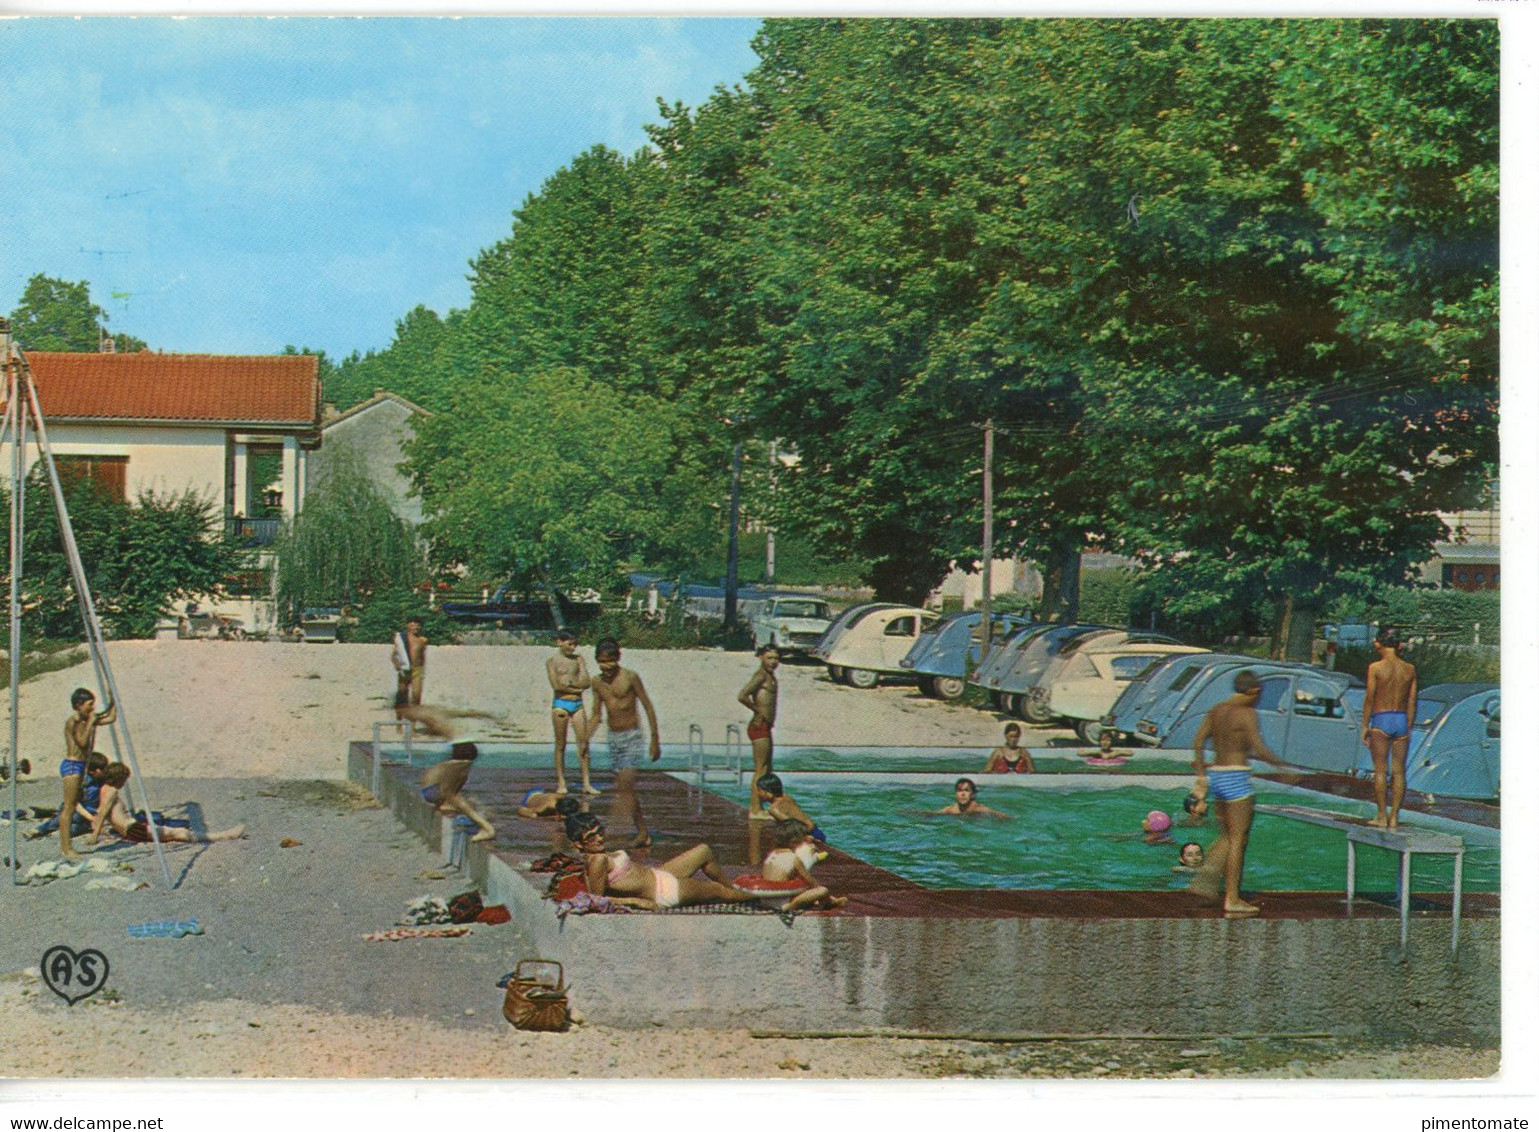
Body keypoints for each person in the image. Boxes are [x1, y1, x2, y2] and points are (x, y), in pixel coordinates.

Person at [1187, 669, 1292, 917]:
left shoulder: (1216, 710)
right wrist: (1284, 769)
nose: (1259, 699)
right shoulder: (1247, 713)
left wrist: (1202, 775)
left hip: (1216, 776)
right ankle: (1232, 898)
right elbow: (1258, 747)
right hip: (1236, 777)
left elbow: (1198, 742)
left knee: (1227, 835)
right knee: (1238, 840)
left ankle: (1207, 879)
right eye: (1258, 694)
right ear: (1252, 691)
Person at [567, 813, 756, 909]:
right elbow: (596, 900)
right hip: (663, 891)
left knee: (703, 851)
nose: (599, 839)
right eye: (591, 837)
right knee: (718, 891)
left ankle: (735, 888)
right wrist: (635, 902)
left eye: (600, 832)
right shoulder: (598, 861)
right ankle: (762, 897)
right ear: (578, 844)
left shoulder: (597, 857)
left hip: (658, 874)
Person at [587, 638, 661, 848]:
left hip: (632, 737)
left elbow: (647, 706)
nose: (606, 666)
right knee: (627, 790)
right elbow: (595, 714)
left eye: (610, 661)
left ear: (618, 658)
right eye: (601, 662)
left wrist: (655, 739)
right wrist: (585, 738)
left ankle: (614, 834)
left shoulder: (630, 677)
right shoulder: (597, 682)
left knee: (625, 787)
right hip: (614, 739)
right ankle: (643, 832)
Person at [91, 764, 244, 844]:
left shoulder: (105, 789)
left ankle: (219, 836)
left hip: (131, 829)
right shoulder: (111, 791)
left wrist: (99, 828)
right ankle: (222, 836)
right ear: (119, 778)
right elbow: (104, 811)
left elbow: (102, 813)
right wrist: (95, 836)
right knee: (178, 833)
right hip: (133, 829)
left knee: (171, 832)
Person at [1361, 628, 1418, 829]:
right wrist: (1408, 725)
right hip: (1401, 719)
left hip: (1381, 719)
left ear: (1379, 644)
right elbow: (1412, 700)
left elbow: (1370, 698)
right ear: (1399, 645)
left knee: (1380, 771)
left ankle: (1381, 816)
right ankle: (1394, 817)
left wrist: (1364, 725)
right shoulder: (1409, 669)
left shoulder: (1375, 668)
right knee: (1399, 772)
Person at [60, 688, 116, 859]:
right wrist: (92, 721)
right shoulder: (74, 722)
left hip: (80, 765)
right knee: (69, 808)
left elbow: (111, 718)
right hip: (72, 766)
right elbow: (83, 742)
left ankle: (67, 847)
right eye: (89, 705)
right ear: (78, 705)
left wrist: (113, 700)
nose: (92, 709)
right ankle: (66, 848)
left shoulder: (86, 718)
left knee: (74, 804)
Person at [419, 742, 497, 843]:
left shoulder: (449, 765)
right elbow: (449, 792)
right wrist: (460, 804)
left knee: (466, 798)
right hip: (433, 792)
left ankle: (446, 805)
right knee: (461, 800)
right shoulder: (460, 765)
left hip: (428, 791)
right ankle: (488, 829)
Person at [762, 820, 847, 913]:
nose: (808, 839)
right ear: (794, 842)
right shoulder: (794, 858)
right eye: (804, 839)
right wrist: (826, 896)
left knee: (798, 885)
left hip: (765, 899)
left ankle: (829, 901)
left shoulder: (771, 854)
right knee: (822, 890)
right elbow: (810, 880)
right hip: (781, 901)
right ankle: (789, 907)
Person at [547, 629, 594, 796]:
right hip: (560, 704)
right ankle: (561, 781)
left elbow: (587, 681)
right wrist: (576, 686)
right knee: (561, 744)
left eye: (575, 644)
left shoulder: (579, 659)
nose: (573, 647)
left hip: (577, 705)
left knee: (583, 743)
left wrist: (571, 684)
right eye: (569, 644)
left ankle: (586, 783)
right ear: (559, 642)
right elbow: (557, 686)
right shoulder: (552, 661)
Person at [738, 646, 780, 819]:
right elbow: (742, 695)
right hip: (759, 726)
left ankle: (764, 807)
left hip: (766, 726)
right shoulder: (760, 675)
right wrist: (758, 711)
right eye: (769, 658)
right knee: (761, 769)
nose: (773, 662)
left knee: (767, 768)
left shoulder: (771, 676)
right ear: (761, 657)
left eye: (776, 658)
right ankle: (755, 810)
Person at [33, 752, 109, 840]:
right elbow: (75, 803)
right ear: (92, 771)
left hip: (89, 815)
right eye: (103, 769)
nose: (106, 771)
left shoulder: (102, 780)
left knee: (72, 829)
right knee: (67, 817)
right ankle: (42, 829)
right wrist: (92, 818)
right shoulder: (84, 783)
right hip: (81, 811)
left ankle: (56, 829)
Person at [755, 772, 825, 842]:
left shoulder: (773, 810)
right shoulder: (785, 796)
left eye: (759, 790)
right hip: (817, 831)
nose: (757, 794)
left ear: (768, 792)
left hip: (810, 836)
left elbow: (793, 827)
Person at [392, 616, 428, 708]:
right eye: (412, 625)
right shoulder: (401, 640)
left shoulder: (422, 640)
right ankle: (399, 720)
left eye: (417, 625)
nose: (415, 627)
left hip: (417, 670)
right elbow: (394, 655)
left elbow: (422, 656)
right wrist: (397, 666)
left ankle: (413, 721)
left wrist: (423, 669)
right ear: (408, 625)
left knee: (416, 695)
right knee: (402, 694)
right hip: (404, 669)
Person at [932, 777, 1008, 819]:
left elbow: (1000, 815)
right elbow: (934, 814)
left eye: (966, 790)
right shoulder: (951, 810)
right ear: (955, 794)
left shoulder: (977, 808)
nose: (962, 794)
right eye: (959, 791)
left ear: (972, 795)